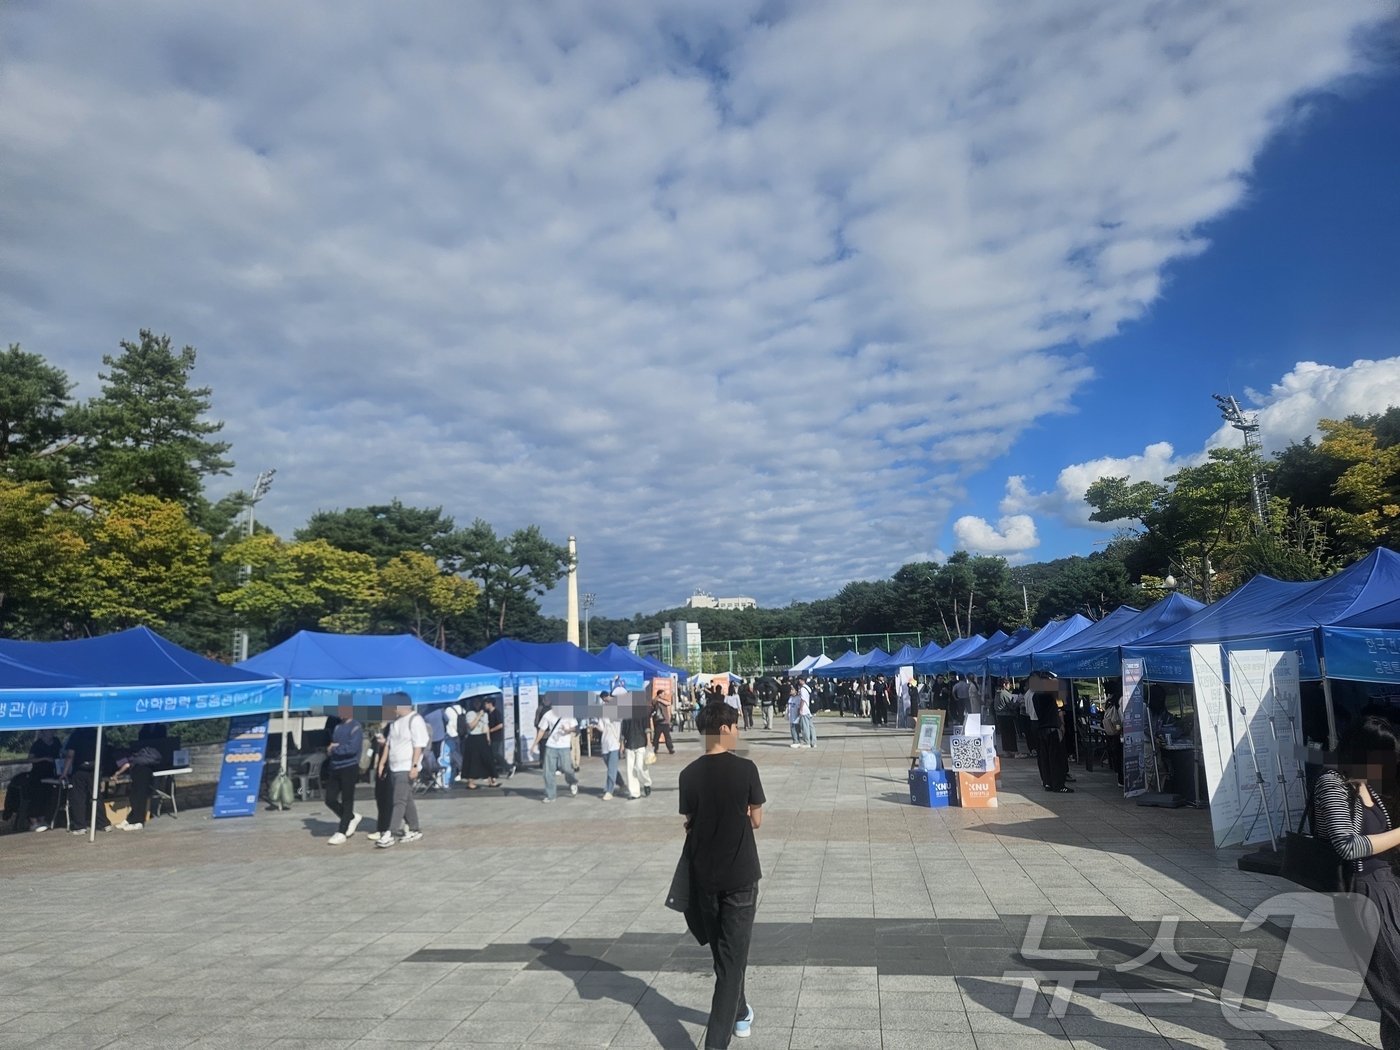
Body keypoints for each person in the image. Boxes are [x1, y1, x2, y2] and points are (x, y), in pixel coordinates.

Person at [679, 701, 766, 1049]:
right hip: (741, 875)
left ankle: (741, 1011)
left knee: (724, 954)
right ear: (726, 729)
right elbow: (756, 820)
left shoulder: (688, 774)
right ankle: (716, 1043)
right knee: (731, 961)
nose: (738, 734)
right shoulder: (746, 770)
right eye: (737, 728)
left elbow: (690, 821)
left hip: (705, 877)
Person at [1314, 715, 1400, 1049]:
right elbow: (1346, 845)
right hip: (1359, 892)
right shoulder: (1333, 783)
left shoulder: (1365, 782)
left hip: (1386, 886)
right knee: (1392, 983)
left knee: (1392, 990)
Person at [377, 695, 427, 848]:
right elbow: (389, 744)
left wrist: (414, 766)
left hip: (406, 767)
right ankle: (414, 828)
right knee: (406, 799)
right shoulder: (395, 723)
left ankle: (390, 833)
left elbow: (419, 745)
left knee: (398, 801)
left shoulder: (415, 720)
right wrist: (382, 762)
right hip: (394, 766)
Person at [323, 706, 364, 845]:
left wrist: (335, 749)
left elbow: (352, 748)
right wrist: (332, 749)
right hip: (335, 766)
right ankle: (351, 817)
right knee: (329, 799)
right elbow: (333, 745)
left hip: (349, 766)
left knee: (347, 799)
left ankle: (342, 830)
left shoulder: (356, 727)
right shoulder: (337, 727)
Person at [110, 731, 166, 832]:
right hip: (145, 770)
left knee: (138, 797)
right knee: (136, 796)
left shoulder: (118, 754)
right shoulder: (134, 751)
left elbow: (126, 765)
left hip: (140, 771)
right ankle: (131, 819)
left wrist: (116, 774)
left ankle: (138, 821)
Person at [60, 725, 111, 834]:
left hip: (80, 769)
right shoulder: (99, 733)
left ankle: (80, 826)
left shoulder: (76, 735)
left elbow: (70, 755)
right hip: (96, 768)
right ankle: (104, 823)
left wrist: (64, 773)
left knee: (78, 797)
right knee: (96, 795)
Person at [535, 701, 580, 803]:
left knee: (566, 768)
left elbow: (576, 729)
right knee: (548, 772)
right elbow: (542, 730)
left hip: (564, 746)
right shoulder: (548, 715)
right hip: (551, 745)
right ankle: (551, 795)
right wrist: (535, 744)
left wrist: (568, 730)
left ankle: (572, 782)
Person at [1033, 690, 1072, 793]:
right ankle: (1058, 784)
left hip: (1041, 728)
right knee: (1056, 758)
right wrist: (1062, 724)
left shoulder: (1035, 695)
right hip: (1053, 728)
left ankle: (1048, 782)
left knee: (1045, 759)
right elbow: (1060, 708)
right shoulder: (1052, 694)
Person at [365, 722, 395, 844]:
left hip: (390, 764)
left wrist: (384, 743)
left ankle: (386, 828)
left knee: (389, 798)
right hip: (379, 765)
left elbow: (395, 744)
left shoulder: (393, 726)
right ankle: (381, 827)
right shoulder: (377, 728)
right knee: (380, 796)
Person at [460, 696, 498, 789]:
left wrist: (488, 737)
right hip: (473, 738)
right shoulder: (470, 713)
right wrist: (479, 716)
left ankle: (491, 780)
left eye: (479, 702)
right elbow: (471, 726)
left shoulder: (485, 713)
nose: (477, 704)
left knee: (487, 759)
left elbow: (486, 726)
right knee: (473, 761)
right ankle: (471, 782)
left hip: (483, 737)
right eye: (475, 702)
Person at [620, 700, 652, 800]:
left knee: (640, 767)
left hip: (641, 743)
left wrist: (649, 741)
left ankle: (646, 782)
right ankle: (635, 793)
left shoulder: (643, 714)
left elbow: (647, 728)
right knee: (630, 770)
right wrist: (622, 745)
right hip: (629, 743)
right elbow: (623, 731)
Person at [597, 688, 623, 800]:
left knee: (611, 769)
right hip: (605, 743)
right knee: (611, 767)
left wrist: (622, 744)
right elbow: (600, 727)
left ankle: (609, 790)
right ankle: (622, 784)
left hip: (615, 744)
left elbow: (622, 730)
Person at [484, 695, 511, 779]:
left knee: (495, 753)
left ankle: (508, 767)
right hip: (490, 737)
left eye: (486, 703)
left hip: (496, 736)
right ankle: (492, 773)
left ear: (490, 704)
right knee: (490, 755)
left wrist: (491, 730)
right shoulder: (487, 713)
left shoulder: (497, 712)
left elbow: (501, 725)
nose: (485, 705)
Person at [1101, 689, 1124, 787]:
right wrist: (1119, 730)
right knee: (1121, 756)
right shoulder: (1118, 704)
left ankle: (1120, 777)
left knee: (1118, 756)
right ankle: (1122, 779)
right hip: (1118, 734)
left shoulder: (1109, 703)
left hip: (1112, 735)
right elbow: (1117, 722)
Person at [441, 697, 464, 789]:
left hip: (449, 735)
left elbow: (445, 721)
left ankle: (447, 781)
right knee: (456, 755)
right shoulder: (462, 709)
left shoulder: (447, 710)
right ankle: (456, 774)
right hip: (458, 735)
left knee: (447, 758)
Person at [652, 690, 675, 756]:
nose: (664, 695)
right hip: (658, 722)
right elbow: (653, 702)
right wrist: (658, 699)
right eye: (662, 694)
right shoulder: (655, 700)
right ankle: (655, 748)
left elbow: (668, 703)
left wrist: (660, 700)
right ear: (659, 694)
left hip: (665, 722)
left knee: (667, 736)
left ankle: (670, 748)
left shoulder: (663, 700)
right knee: (656, 737)